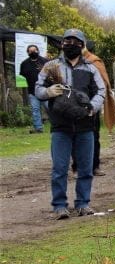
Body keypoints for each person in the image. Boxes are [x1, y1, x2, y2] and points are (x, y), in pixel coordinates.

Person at [34, 28, 106, 219]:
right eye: (67, 41)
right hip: (60, 126)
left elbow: (101, 91)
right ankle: (59, 206)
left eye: (75, 41)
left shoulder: (91, 68)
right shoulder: (51, 66)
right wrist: (49, 92)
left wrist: (92, 107)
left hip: (85, 126)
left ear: (82, 45)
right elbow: (38, 89)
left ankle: (83, 203)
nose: (70, 44)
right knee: (59, 168)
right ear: (62, 44)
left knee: (85, 167)